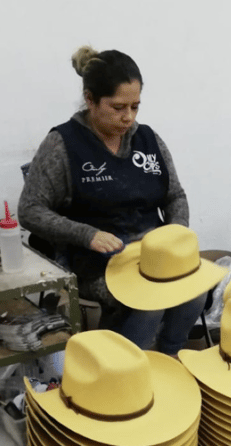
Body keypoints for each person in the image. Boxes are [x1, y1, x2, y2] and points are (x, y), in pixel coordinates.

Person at [18, 45, 206, 355]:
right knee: (151, 302)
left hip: (153, 255)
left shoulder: (148, 139)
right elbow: (30, 209)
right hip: (99, 262)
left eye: (135, 106)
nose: (128, 117)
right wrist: (86, 234)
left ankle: (171, 356)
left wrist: (176, 233)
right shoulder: (63, 144)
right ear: (90, 99)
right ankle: (128, 367)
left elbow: (175, 195)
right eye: (117, 107)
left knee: (193, 290)